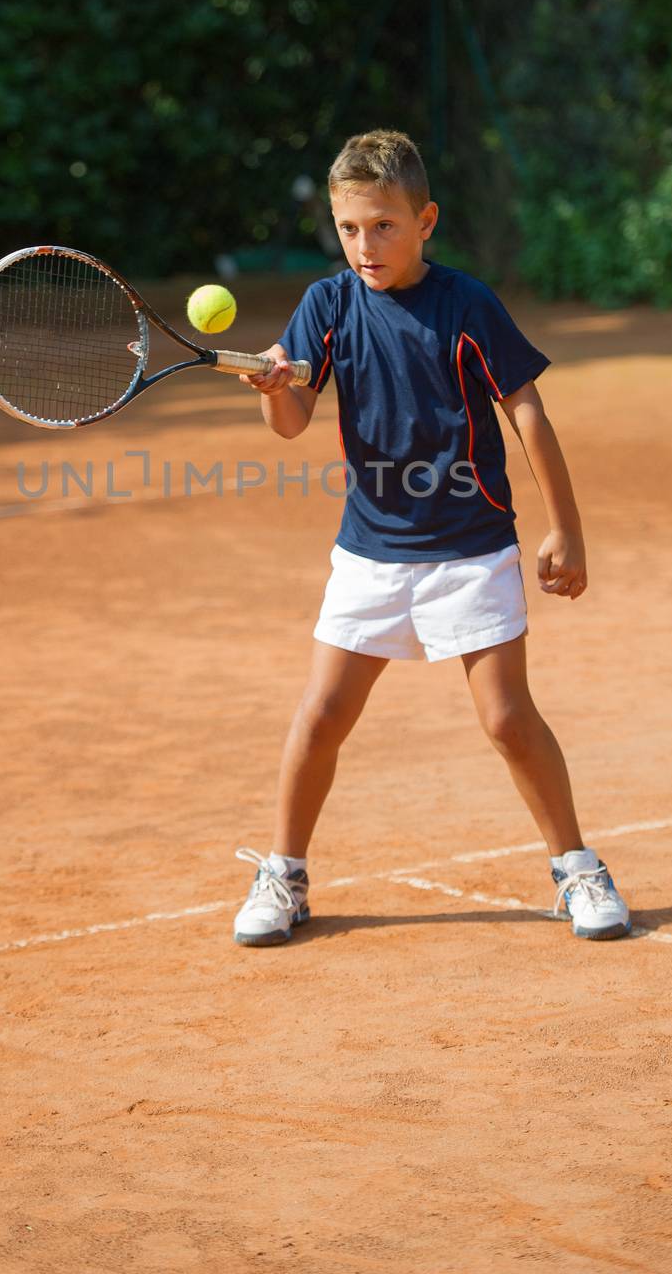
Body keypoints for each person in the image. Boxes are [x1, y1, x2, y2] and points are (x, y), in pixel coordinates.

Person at [233, 129, 630, 947]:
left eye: (382, 225)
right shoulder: (327, 304)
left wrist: (566, 529)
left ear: (425, 220)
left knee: (507, 720)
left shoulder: (465, 303)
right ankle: (285, 875)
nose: (364, 245)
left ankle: (576, 868)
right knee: (320, 717)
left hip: (471, 547)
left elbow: (526, 410)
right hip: (369, 551)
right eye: (348, 229)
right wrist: (270, 387)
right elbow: (290, 421)